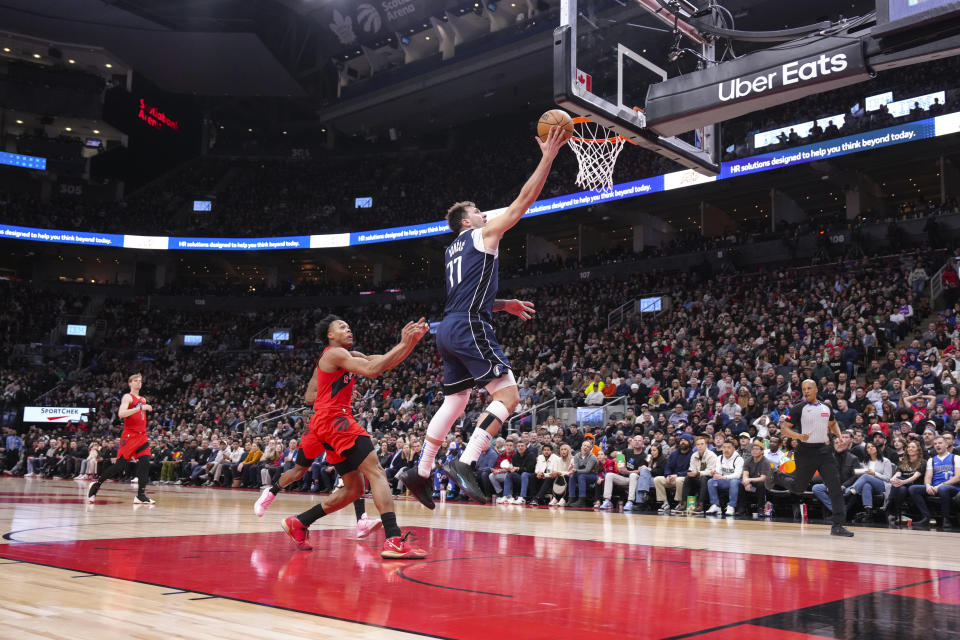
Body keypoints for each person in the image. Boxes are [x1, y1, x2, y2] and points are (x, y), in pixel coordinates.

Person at [400, 126, 570, 507]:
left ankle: (421, 470)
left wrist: (502, 303)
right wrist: (548, 157)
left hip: (450, 326)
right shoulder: (481, 235)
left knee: (455, 401)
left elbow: (464, 295)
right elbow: (523, 202)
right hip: (469, 326)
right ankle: (466, 461)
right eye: (478, 211)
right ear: (466, 221)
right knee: (508, 396)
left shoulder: (451, 251)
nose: (483, 214)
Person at [261, 314, 430, 559]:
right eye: (342, 327)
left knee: (354, 488)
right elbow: (372, 371)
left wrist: (411, 342)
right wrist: (404, 343)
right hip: (335, 420)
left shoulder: (350, 356)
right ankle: (393, 540)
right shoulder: (333, 353)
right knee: (377, 472)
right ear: (330, 335)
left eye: (349, 326)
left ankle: (299, 523)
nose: (348, 329)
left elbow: (382, 362)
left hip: (326, 425)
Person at [773, 379, 855, 537]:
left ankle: (837, 526)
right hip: (805, 452)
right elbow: (784, 429)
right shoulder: (799, 408)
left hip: (824, 451)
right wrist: (799, 436)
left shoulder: (826, 407)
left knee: (835, 487)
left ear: (816, 389)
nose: (806, 391)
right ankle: (777, 476)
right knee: (798, 488)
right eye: (804, 389)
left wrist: (838, 436)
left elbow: (833, 423)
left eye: (809, 388)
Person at [87, 373, 156, 505]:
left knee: (145, 462)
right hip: (129, 436)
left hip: (142, 436)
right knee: (119, 466)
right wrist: (140, 408)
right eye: (135, 381)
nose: (138, 383)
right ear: (130, 383)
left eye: (140, 381)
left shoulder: (143, 399)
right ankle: (97, 484)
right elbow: (121, 414)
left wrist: (142, 408)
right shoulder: (127, 397)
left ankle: (141, 495)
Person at [907, 434, 960, 530]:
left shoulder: (956, 458)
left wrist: (940, 485)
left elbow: (958, 477)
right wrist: (927, 486)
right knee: (913, 489)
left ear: (946, 445)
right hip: (935, 487)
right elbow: (928, 476)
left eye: (940, 443)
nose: (937, 445)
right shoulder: (931, 460)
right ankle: (926, 517)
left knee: (943, 489)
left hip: (952, 488)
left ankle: (946, 519)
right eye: (935, 444)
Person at [845, 441, 894, 522]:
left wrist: (874, 473)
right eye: (868, 447)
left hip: (883, 485)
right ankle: (868, 514)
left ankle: (850, 491)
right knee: (866, 485)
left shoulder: (885, 461)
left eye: (872, 446)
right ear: (866, 451)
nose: (870, 448)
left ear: (876, 448)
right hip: (870, 485)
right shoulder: (865, 462)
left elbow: (888, 478)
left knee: (866, 476)